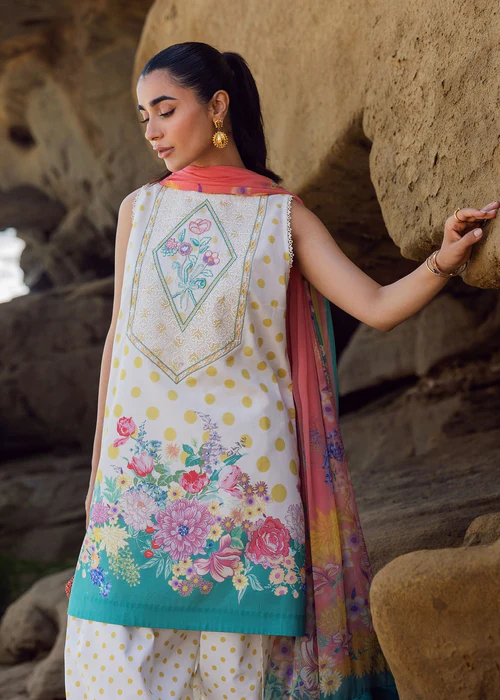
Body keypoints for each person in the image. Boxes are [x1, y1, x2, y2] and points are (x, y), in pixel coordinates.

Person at [63, 41, 497, 700]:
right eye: (144, 116)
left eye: (165, 110)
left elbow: (376, 306)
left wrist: (444, 258)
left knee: (240, 680)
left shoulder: (282, 216)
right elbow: (118, 345)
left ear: (217, 106)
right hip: (137, 485)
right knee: (109, 668)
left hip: (247, 487)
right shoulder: (140, 210)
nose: (151, 131)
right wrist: (98, 476)